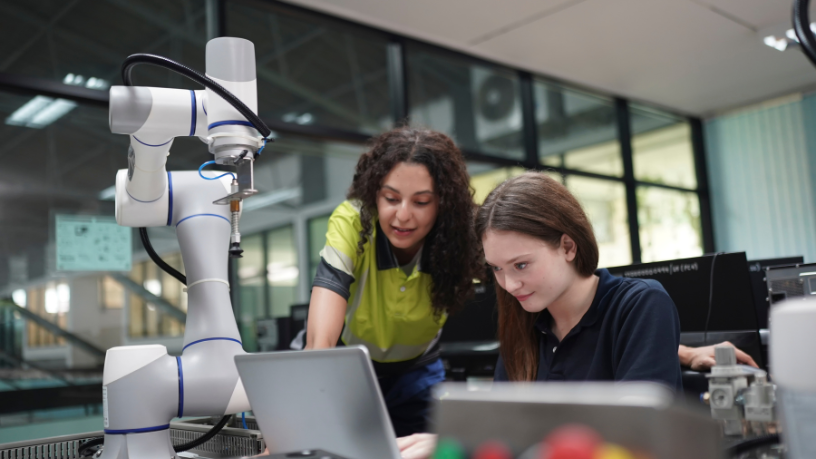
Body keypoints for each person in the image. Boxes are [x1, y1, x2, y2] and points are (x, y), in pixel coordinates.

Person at [305, 126, 481, 437]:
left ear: (443, 203)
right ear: (374, 193)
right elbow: (319, 342)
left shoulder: (461, 236)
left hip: (418, 374)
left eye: (421, 202)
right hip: (348, 371)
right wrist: (301, 419)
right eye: (391, 198)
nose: (403, 216)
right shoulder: (353, 221)